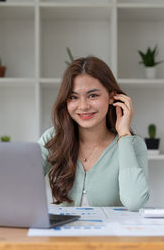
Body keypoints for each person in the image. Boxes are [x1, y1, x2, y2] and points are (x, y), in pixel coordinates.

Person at [38, 56, 149, 211]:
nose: (83, 106)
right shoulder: (53, 139)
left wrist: (124, 134)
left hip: (113, 235)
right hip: (64, 234)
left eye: (93, 95)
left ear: (112, 97)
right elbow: (20, 185)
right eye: (73, 97)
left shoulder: (132, 144)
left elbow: (134, 202)